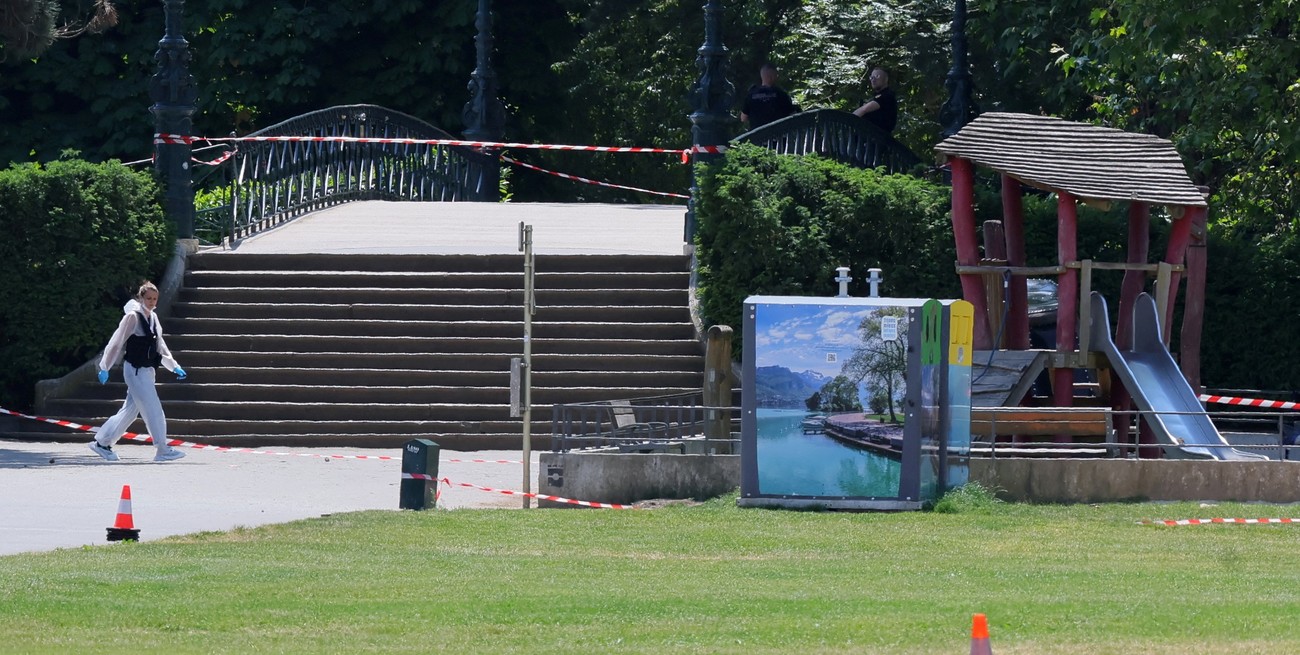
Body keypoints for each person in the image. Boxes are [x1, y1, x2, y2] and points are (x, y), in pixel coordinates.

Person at [87, 281, 188, 462]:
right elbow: (116, 342)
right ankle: (162, 448)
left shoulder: (153, 318)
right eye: (148, 298)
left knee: (130, 410)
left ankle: (102, 443)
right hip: (135, 370)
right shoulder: (132, 317)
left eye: (155, 299)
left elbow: (159, 345)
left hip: (147, 370)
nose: (152, 302)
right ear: (141, 298)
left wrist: (173, 365)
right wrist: (105, 367)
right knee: (153, 407)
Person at [740, 62, 796, 129]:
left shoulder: (751, 95)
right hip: (778, 136)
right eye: (776, 75)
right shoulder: (780, 94)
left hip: (758, 137)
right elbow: (792, 115)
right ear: (772, 77)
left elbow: (743, 118)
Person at [853, 67, 898, 134]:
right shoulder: (874, 96)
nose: (873, 79)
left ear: (886, 79)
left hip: (876, 140)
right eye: (871, 77)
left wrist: (849, 120)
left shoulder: (887, 96)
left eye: (877, 76)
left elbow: (864, 109)